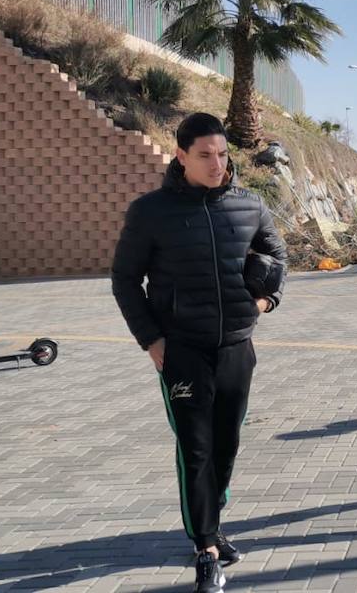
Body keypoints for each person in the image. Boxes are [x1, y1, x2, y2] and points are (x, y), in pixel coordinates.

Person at [112, 113, 287, 593]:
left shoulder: (249, 206)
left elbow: (277, 258)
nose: (216, 164)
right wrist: (152, 340)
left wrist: (266, 299)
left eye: (223, 154)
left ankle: (212, 520)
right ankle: (205, 549)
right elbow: (125, 280)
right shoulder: (150, 212)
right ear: (181, 157)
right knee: (196, 449)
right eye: (205, 155)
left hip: (236, 346)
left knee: (226, 444)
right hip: (181, 350)